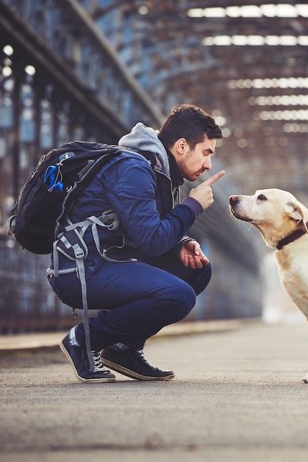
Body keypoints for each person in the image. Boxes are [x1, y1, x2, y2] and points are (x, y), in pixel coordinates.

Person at [51, 104, 225, 383]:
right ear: (181, 146)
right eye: (206, 152)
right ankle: (83, 340)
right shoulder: (133, 169)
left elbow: (143, 230)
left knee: (197, 270)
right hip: (82, 269)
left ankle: (123, 348)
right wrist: (192, 206)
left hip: (109, 260)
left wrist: (182, 242)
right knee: (179, 295)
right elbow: (151, 241)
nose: (208, 164)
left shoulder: (160, 172)